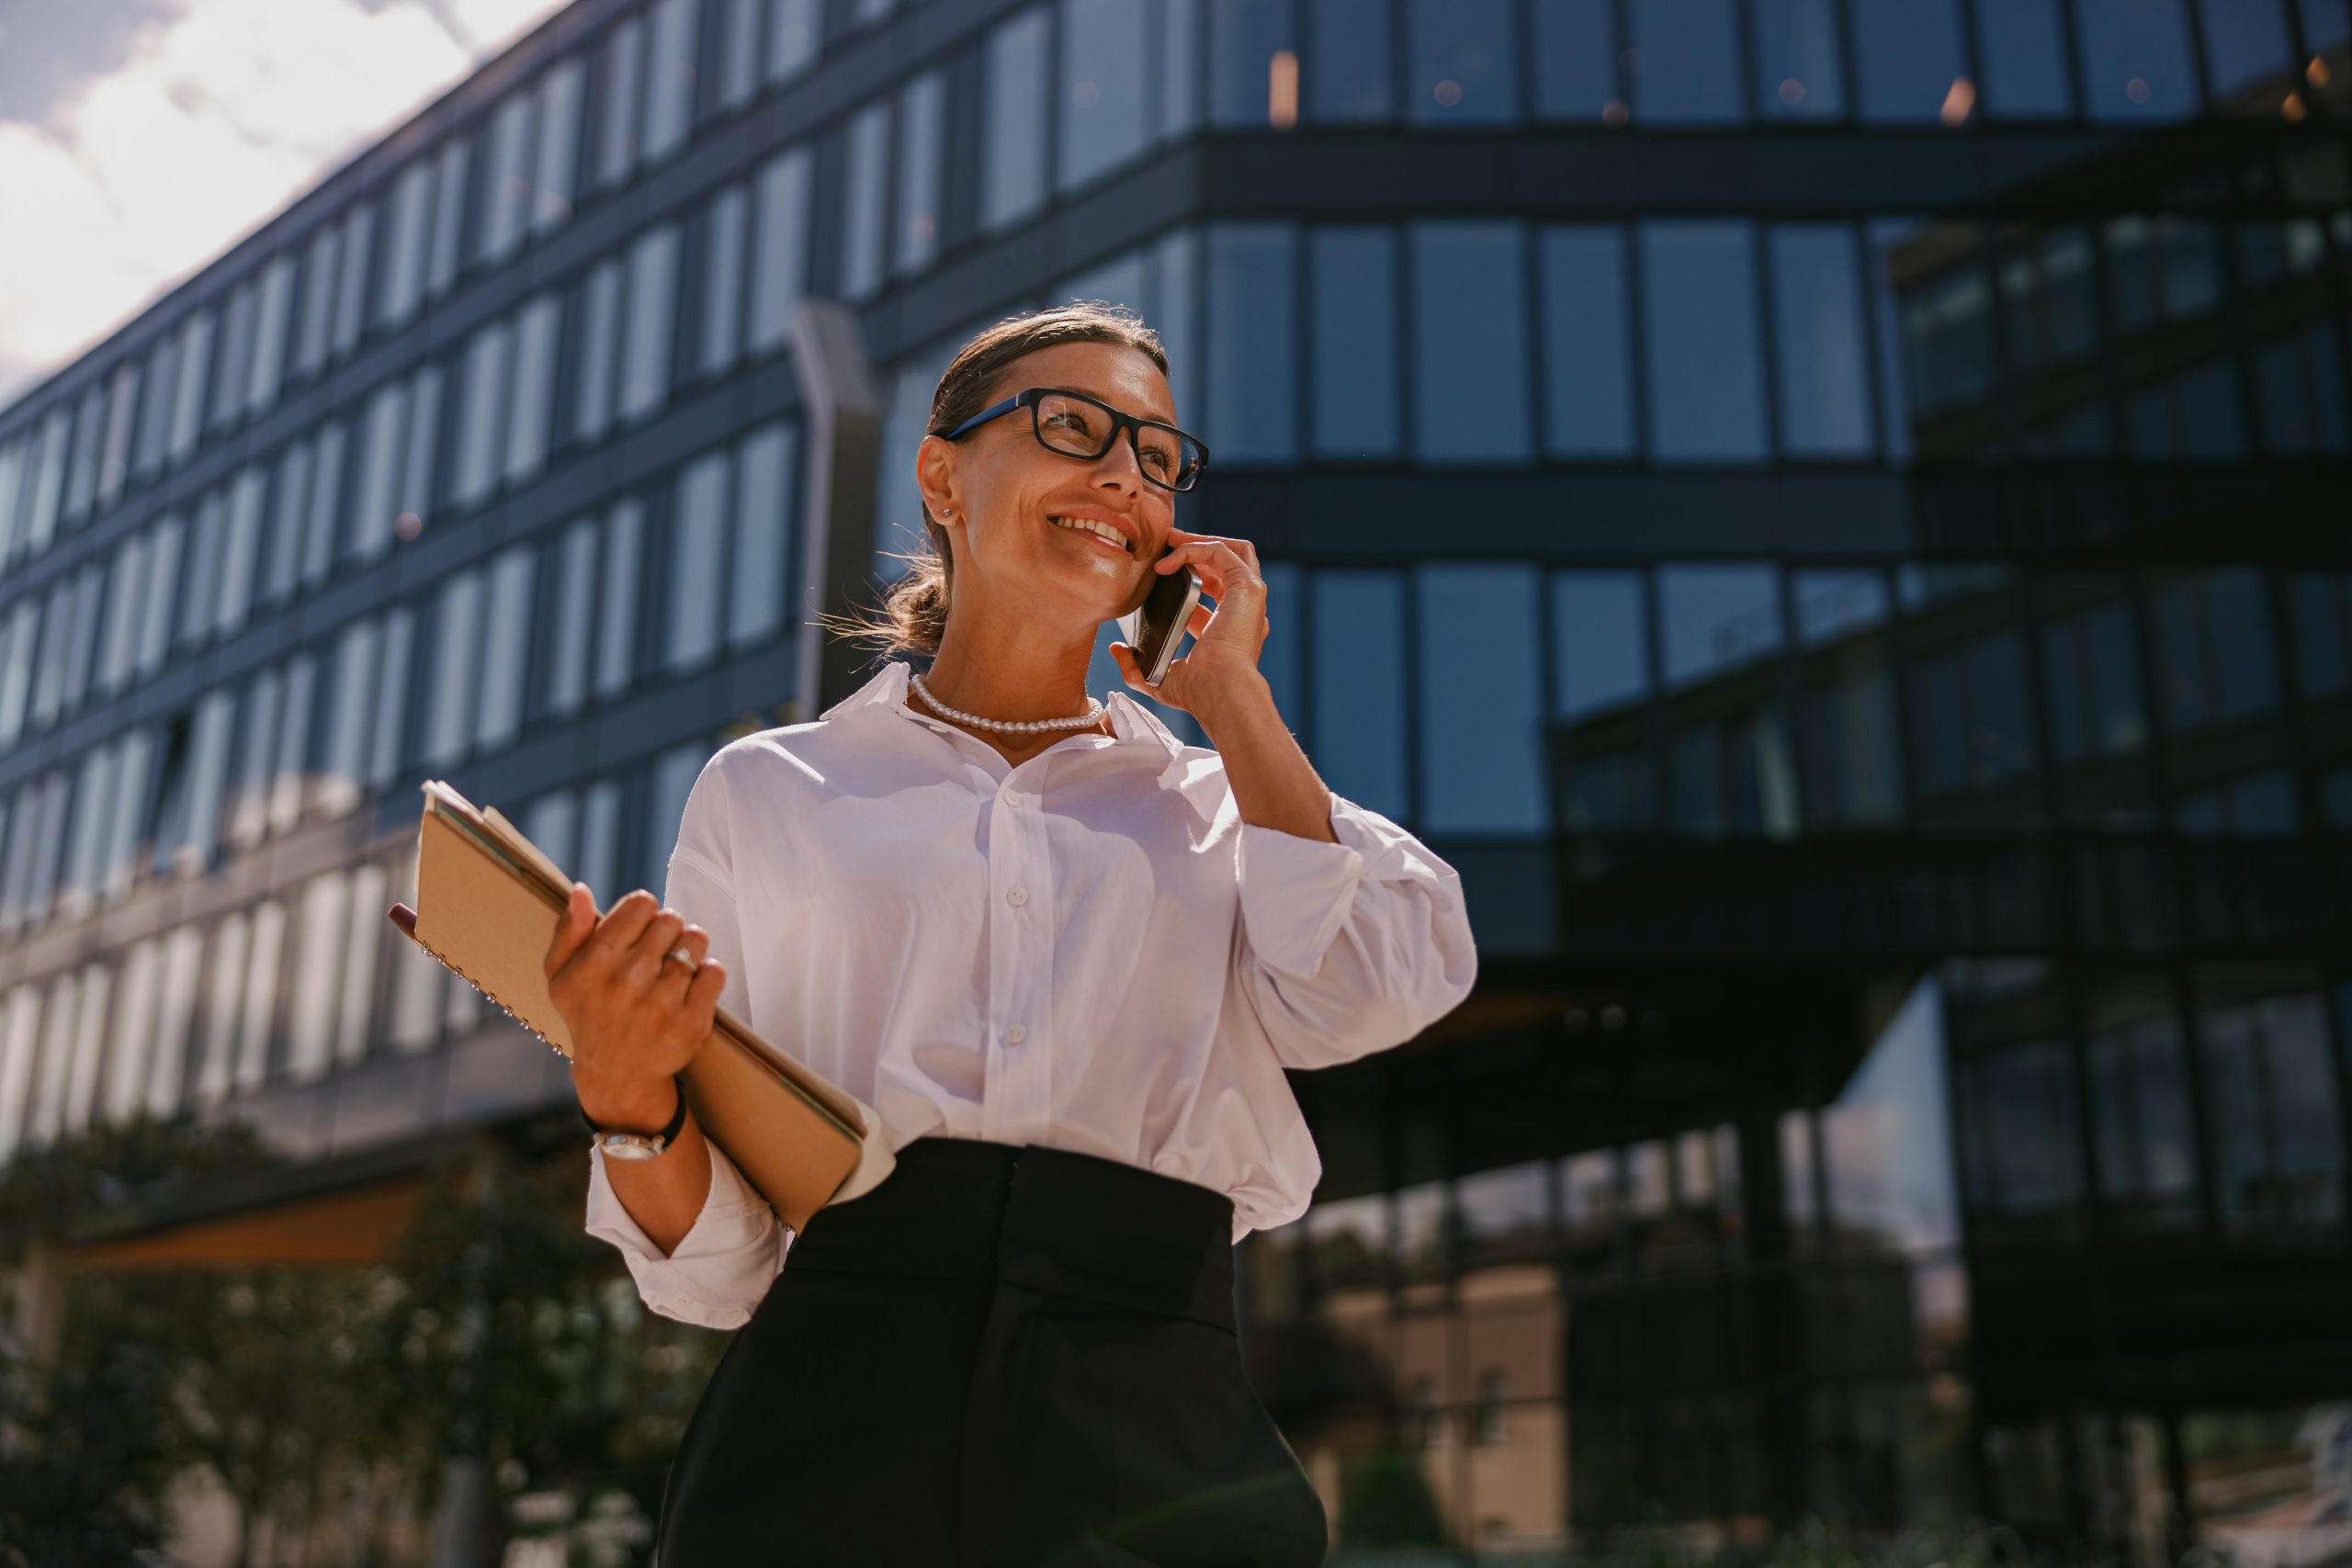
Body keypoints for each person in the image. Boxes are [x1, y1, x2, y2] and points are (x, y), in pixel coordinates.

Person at [543, 300, 1479, 1565]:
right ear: (942, 473)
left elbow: (1377, 988)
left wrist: (1233, 704)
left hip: (1155, 1413)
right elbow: (716, 1271)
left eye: (1156, 456)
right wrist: (627, 1099)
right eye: (1073, 426)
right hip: (830, 1416)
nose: (1120, 476)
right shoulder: (771, 792)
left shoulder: (1229, 806)